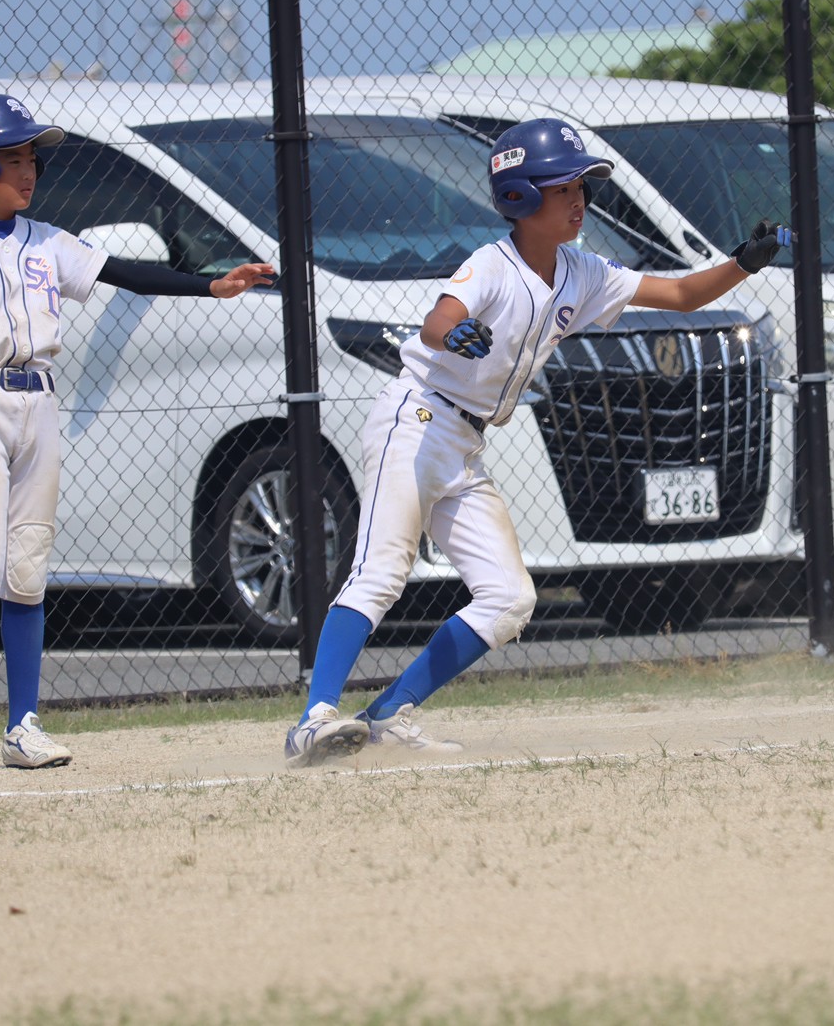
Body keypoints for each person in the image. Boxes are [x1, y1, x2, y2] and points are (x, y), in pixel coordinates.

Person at [284, 117, 792, 767]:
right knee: (381, 572)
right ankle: (312, 720)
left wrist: (742, 265)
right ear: (521, 198)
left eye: (582, 185)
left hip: (464, 443)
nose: (579, 198)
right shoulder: (491, 266)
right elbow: (442, 318)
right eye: (562, 187)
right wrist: (456, 334)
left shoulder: (583, 273)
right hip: (416, 420)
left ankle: (387, 714)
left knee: (509, 597)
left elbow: (682, 294)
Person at [0, 94, 273, 774]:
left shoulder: (46, 239)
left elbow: (123, 271)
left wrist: (212, 284)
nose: (29, 168)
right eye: (14, 156)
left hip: (39, 404)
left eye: (31, 157)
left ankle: (22, 726)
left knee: (27, 569)